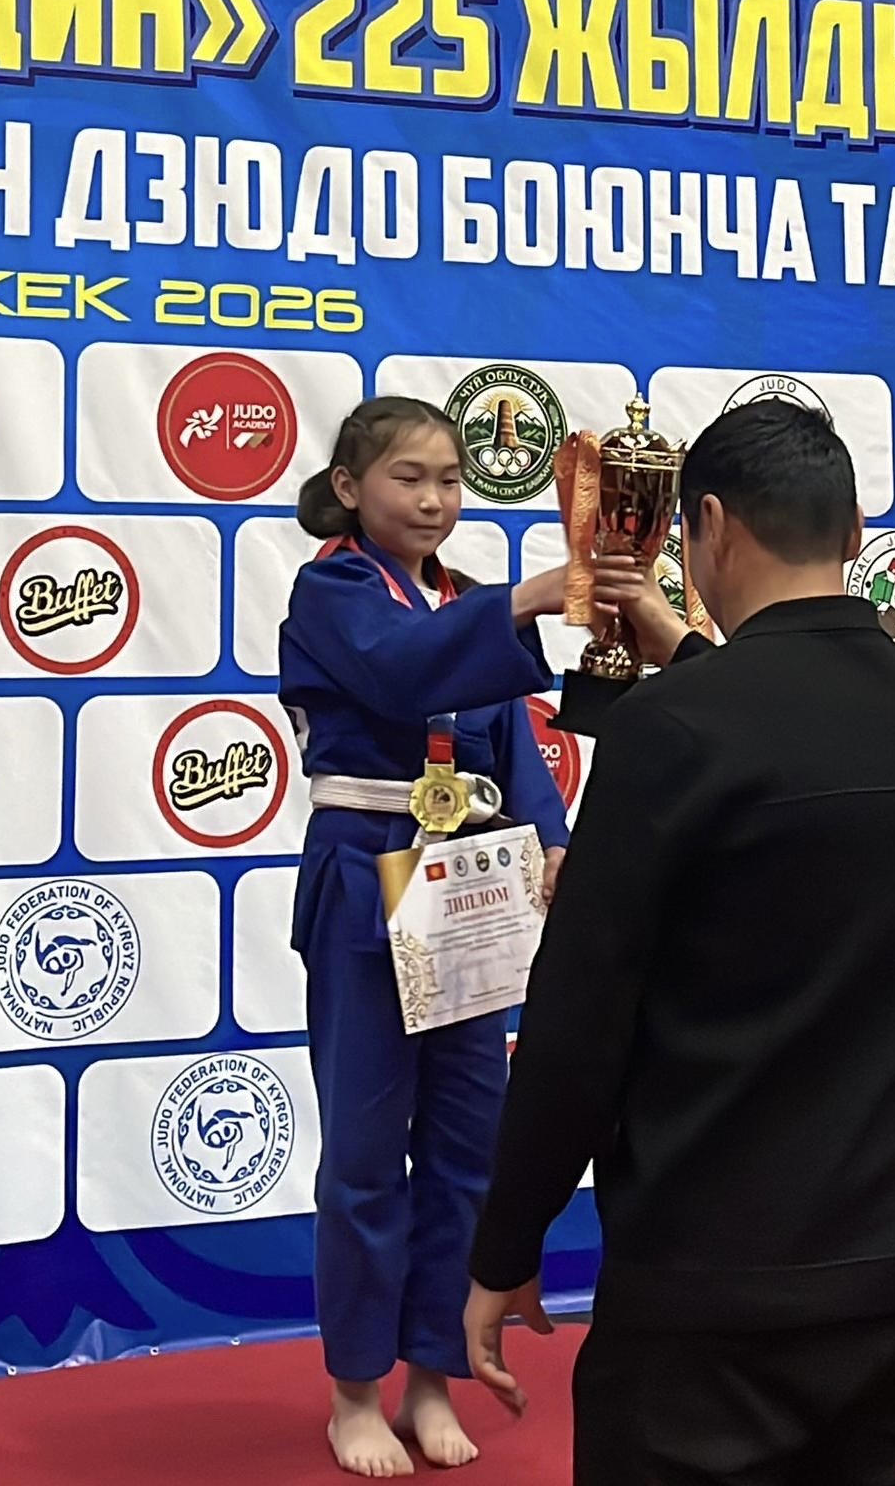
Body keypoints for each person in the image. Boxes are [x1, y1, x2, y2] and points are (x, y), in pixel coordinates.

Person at [465, 399, 895, 1486]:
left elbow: (578, 1024)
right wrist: (693, 659)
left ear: (706, 524)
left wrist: (508, 1242)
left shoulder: (674, 729)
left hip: (714, 1287)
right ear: (854, 530)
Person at [278, 395, 573, 1479]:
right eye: (409, 477)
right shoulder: (333, 591)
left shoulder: (457, 600)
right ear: (350, 487)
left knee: (463, 1149)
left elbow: (511, 748)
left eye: (450, 479)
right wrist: (528, 597)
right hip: (366, 875)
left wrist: (551, 837)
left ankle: (432, 1377)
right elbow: (403, 670)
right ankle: (354, 1392)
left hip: (467, 887)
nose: (435, 499)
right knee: (365, 1157)